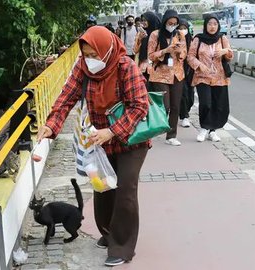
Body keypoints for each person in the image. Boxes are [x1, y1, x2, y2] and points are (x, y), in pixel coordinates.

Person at [36, 26, 149, 267]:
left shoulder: (125, 67)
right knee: (102, 187)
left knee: (125, 190)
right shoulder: (83, 68)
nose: (91, 60)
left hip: (130, 141)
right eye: (86, 54)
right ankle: (108, 233)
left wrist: (113, 131)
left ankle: (122, 246)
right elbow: (66, 98)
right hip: (99, 140)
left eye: (95, 54)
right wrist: (50, 126)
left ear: (107, 50)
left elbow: (140, 106)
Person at [187, 14, 233, 142]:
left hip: (219, 77)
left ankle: (212, 130)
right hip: (202, 76)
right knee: (206, 103)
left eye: (215, 24)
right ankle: (204, 128)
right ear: (205, 25)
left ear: (218, 26)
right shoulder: (198, 39)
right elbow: (190, 57)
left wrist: (225, 51)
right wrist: (200, 65)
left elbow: (230, 55)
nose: (212, 27)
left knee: (218, 105)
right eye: (209, 24)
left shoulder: (222, 38)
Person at [148, 9, 187, 146]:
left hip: (177, 74)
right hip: (160, 74)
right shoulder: (155, 35)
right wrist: (166, 50)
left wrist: (178, 52)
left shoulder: (180, 35)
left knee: (176, 106)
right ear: (165, 21)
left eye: (175, 23)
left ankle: (171, 135)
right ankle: (154, 127)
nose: (172, 25)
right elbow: (150, 55)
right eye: (170, 22)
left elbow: (184, 53)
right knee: (165, 105)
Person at [133, 11, 161, 81]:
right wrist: (140, 39)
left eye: (145, 20)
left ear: (151, 20)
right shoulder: (141, 33)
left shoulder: (158, 34)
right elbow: (135, 50)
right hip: (143, 66)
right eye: (142, 21)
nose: (143, 22)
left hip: (156, 67)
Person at [177, 19, 195, 128]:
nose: (182, 31)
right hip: (179, 70)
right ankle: (184, 116)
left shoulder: (192, 41)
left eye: (184, 28)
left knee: (191, 96)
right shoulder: (175, 41)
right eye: (180, 28)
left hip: (191, 71)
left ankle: (185, 111)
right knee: (183, 93)